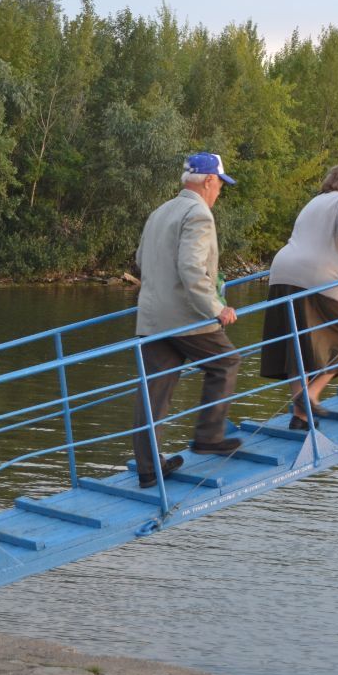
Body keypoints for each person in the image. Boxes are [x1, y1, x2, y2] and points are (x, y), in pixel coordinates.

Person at [131, 152, 243, 488]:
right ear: (209, 180)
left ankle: (149, 468)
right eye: (220, 185)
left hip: (151, 316)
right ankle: (209, 436)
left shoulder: (160, 211)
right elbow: (191, 268)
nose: (220, 192)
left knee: (155, 392)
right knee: (226, 362)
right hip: (185, 317)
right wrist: (215, 308)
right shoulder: (199, 214)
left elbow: (140, 260)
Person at [260, 165, 338, 430]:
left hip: (282, 272)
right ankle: (310, 396)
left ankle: (300, 416)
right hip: (318, 277)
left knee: (298, 347)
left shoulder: (314, 202)